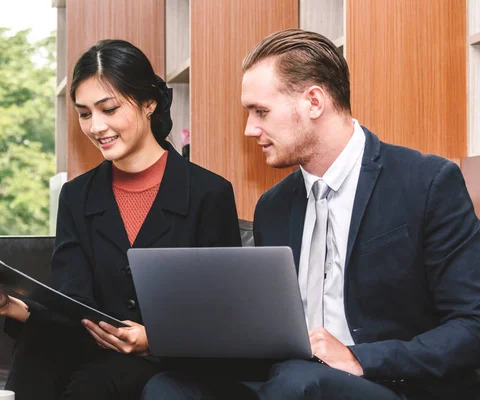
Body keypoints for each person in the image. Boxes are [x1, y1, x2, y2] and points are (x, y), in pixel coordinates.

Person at [142, 29, 480, 400]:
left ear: (314, 102)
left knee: (298, 383)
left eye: (261, 112)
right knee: (168, 388)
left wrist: (358, 358)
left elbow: (471, 325)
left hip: (388, 382)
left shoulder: (426, 182)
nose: (250, 129)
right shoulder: (273, 205)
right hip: (288, 378)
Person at [0, 39, 242, 400]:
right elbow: (72, 304)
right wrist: (6, 305)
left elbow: (224, 313)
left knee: (104, 379)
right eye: (85, 113)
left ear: (149, 103)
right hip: (89, 350)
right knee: (39, 349)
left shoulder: (208, 193)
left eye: (109, 109)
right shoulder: (76, 196)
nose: (96, 126)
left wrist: (156, 339)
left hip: (171, 362)